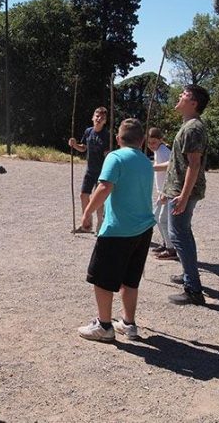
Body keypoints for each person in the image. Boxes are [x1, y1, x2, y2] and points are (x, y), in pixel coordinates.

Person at [77, 118, 156, 342]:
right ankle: (128, 324)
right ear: (142, 141)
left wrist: (87, 213)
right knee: (130, 279)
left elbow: (104, 187)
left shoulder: (115, 157)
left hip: (118, 230)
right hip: (143, 230)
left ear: (118, 138)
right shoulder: (145, 160)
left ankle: (104, 326)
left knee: (102, 279)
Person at [155, 85, 210, 305]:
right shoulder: (188, 126)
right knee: (183, 234)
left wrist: (184, 196)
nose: (179, 96)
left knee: (179, 235)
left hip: (182, 192)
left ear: (194, 103)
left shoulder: (193, 128)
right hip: (179, 191)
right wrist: (152, 167)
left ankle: (193, 290)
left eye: (184, 95)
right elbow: (179, 161)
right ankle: (189, 276)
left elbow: (194, 165)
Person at [68, 107, 110, 233]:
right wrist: (75, 145)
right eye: (97, 116)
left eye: (102, 118)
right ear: (93, 117)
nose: (98, 119)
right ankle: (87, 224)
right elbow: (83, 148)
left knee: (99, 199)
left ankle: (100, 226)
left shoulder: (106, 135)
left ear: (105, 121)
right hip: (90, 170)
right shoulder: (88, 132)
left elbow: (108, 154)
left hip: (102, 171)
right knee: (83, 195)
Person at [146, 127, 177, 260]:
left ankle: (171, 249)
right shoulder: (159, 150)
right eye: (149, 143)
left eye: (154, 142)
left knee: (161, 219)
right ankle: (166, 243)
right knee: (156, 217)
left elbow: (170, 166)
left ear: (160, 140)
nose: (151, 145)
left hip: (167, 191)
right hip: (162, 191)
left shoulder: (163, 151)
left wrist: (150, 167)